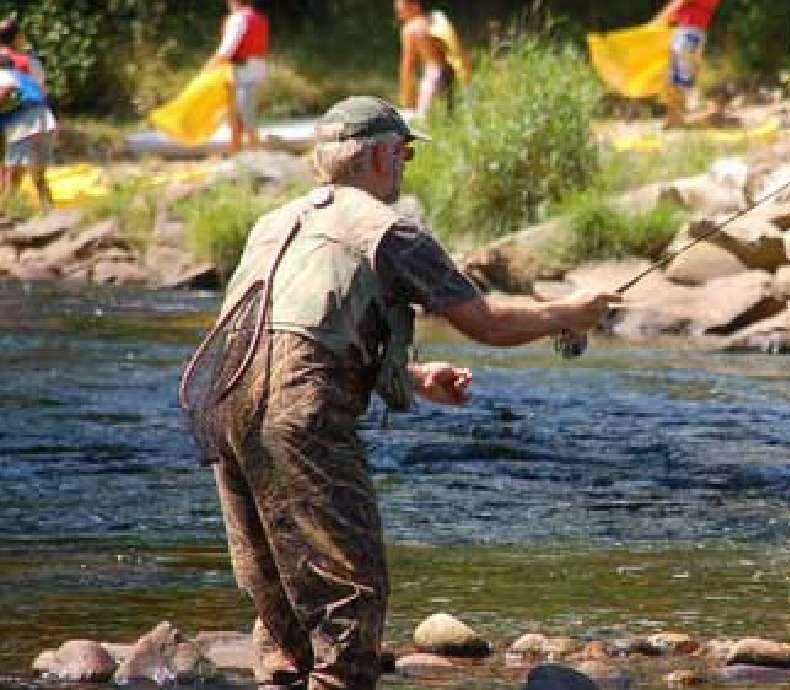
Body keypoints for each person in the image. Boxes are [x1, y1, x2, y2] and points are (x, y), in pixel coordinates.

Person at [186, 96, 618, 690]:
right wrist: (568, 313)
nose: (405, 165)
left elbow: (285, 329)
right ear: (380, 155)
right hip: (296, 407)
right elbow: (487, 322)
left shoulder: (274, 223)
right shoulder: (390, 230)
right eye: (405, 153)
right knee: (349, 587)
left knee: (279, 585)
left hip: (221, 399)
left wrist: (410, 378)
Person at [205, 0, 269, 152]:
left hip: (242, 71)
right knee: (239, 114)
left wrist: (209, 67)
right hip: (257, 68)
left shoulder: (237, 19)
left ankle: (256, 152)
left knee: (242, 112)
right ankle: (237, 153)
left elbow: (227, 49)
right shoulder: (258, 18)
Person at [395, 0, 470, 119]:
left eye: (401, 11)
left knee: (425, 121)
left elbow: (408, 67)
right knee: (447, 118)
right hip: (449, 73)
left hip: (433, 76)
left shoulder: (410, 28)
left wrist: (406, 99)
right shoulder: (435, 20)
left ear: (415, 5)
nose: (400, 16)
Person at [655, 0, 721, 129]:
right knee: (674, 79)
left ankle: (678, 117)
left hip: (691, 33)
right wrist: (665, 18)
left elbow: (679, 3)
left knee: (681, 79)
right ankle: (673, 117)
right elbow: (682, 8)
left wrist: (659, 20)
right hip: (685, 31)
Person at [0, 52, 54, 210]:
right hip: (46, 123)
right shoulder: (26, 78)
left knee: (13, 177)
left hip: (24, 126)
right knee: (38, 177)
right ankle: (49, 210)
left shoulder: (4, 75)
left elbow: (6, 89)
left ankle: (6, 212)